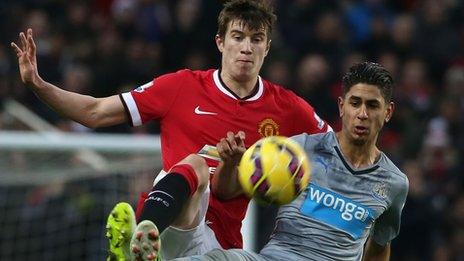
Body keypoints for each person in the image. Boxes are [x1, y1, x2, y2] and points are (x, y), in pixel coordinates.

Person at [11, 0, 331, 260]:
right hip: (171, 226)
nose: (246, 48)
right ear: (220, 42)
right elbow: (95, 112)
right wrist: (38, 85)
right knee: (196, 163)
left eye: (256, 39)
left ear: (267, 47)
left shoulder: (286, 107)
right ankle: (143, 231)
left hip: (219, 245)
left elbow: (337, 150)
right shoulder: (181, 86)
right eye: (238, 36)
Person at [171, 62, 409, 261]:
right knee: (223, 258)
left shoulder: (393, 183)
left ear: (388, 112)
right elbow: (225, 191)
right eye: (355, 103)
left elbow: (380, 246)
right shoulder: (299, 149)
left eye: (373, 105)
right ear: (341, 107)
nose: (362, 114)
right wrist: (232, 164)